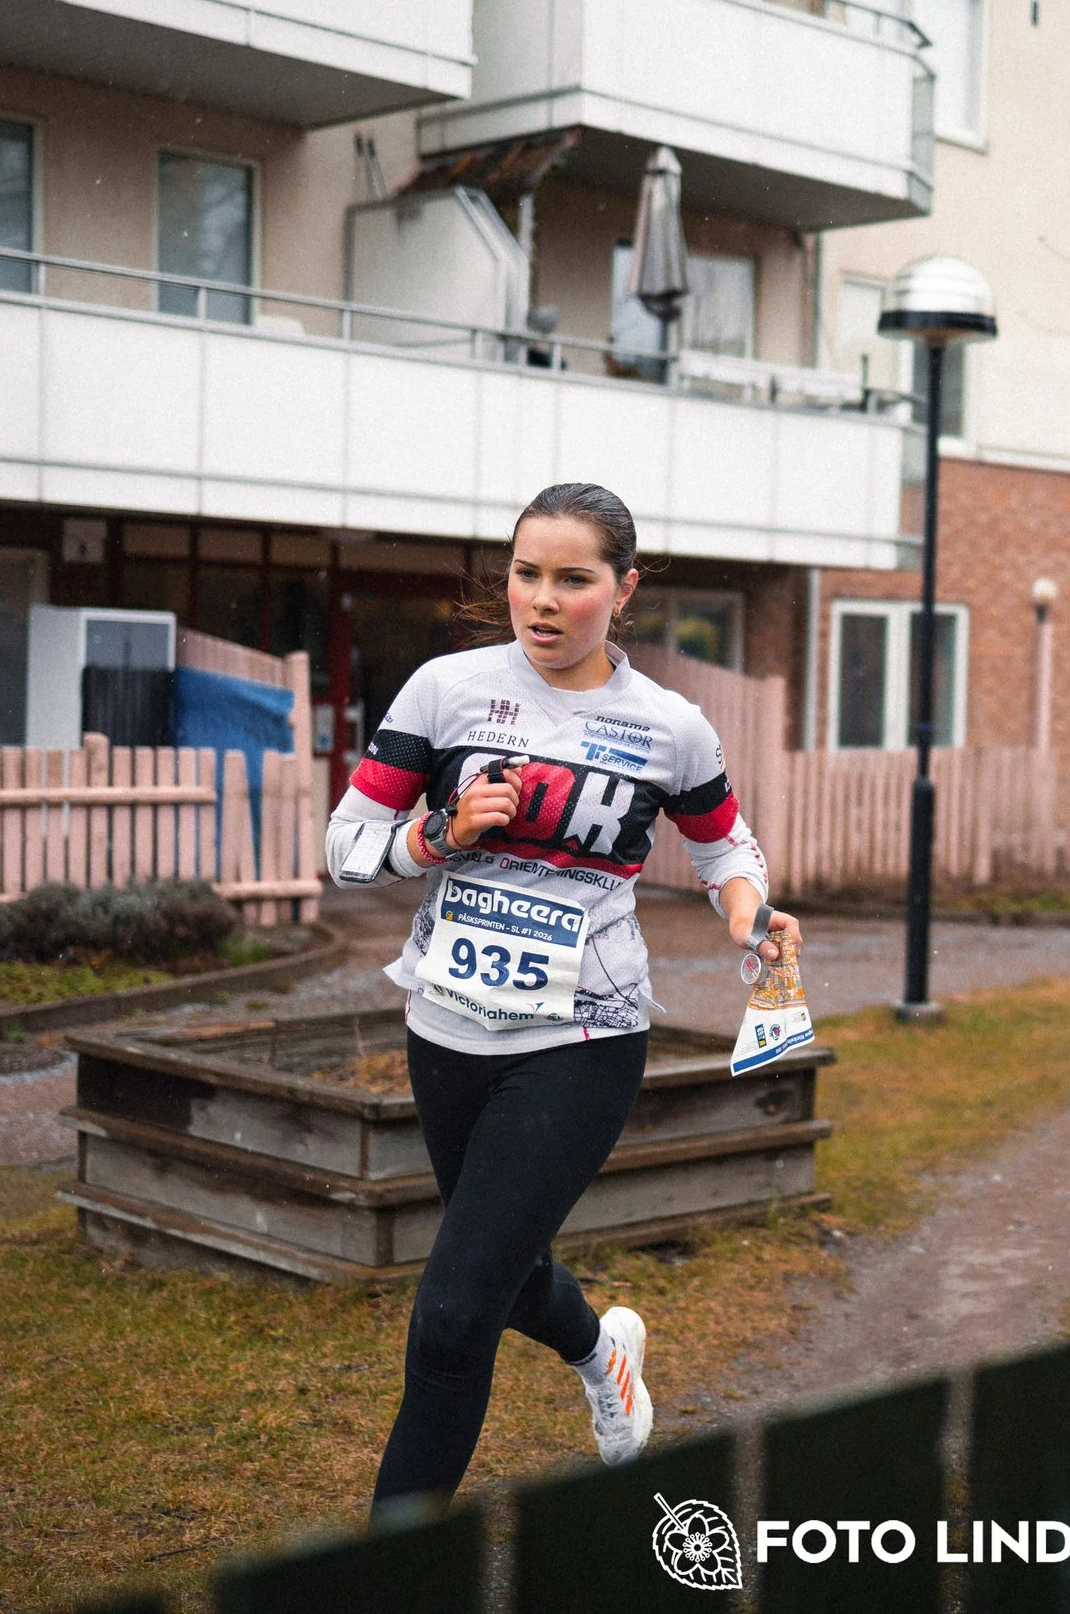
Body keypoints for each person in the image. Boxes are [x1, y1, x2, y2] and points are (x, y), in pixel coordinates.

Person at [326, 481, 796, 1512]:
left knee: (453, 1310)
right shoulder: (446, 690)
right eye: (525, 573)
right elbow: (345, 847)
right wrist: (438, 834)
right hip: (447, 1025)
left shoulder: (666, 725)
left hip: (584, 1036)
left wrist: (748, 912)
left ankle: (389, 1566)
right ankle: (605, 1354)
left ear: (622, 590)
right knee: (496, 1261)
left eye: (572, 579)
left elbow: (724, 845)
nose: (541, 600)